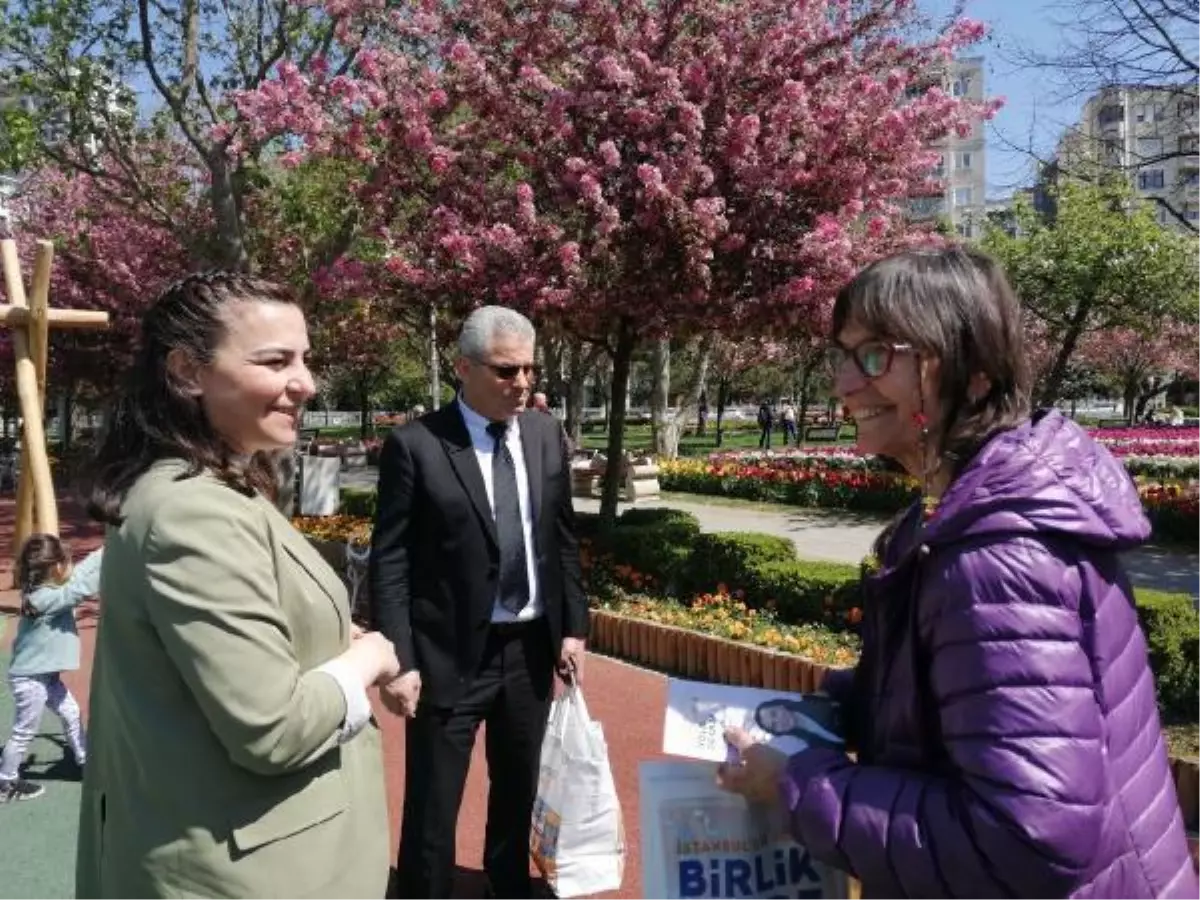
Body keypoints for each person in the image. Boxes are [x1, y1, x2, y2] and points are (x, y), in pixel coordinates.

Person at [718, 247, 1199, 899]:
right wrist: (840, 708)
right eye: (843, 354)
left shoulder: (997, 555)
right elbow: (965, 696)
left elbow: (1028, 836)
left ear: (970, 373)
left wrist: (798, 785)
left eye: (875, 355)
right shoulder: (958, 511)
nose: (845, 382)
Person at [76, 272, 398, 899]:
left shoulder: (217, 488)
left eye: (304, 359)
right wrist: (370, 657)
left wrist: (343, 636)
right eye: (275, 361)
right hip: (245, 873)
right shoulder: (194, 511)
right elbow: (272, 729)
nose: (304, 382)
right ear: (187, 372)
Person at [369, 304, 589, 900]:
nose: (522, 383)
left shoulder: (545, 435)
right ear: (462, 368)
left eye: (529, 370)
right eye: (505, 370)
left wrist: (575, 626)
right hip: (447, 656)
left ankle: (507, 885)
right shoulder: (416, 445)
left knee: (518, 788)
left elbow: (561, 537)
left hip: (530, 650)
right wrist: (400, 659)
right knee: (434, 802)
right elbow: (390, 561)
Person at [0, 534, 102, 803]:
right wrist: (111, 563)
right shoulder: (46, 600)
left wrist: (106, 551)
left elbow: (78, 575)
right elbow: (79, 588)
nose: (71, 565)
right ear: (55, 568)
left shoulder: (43, 590)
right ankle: (6, 781)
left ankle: (85, 761)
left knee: (70, 713)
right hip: (31, 680)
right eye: (67, 561)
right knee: (24, 731)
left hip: (44, 677)